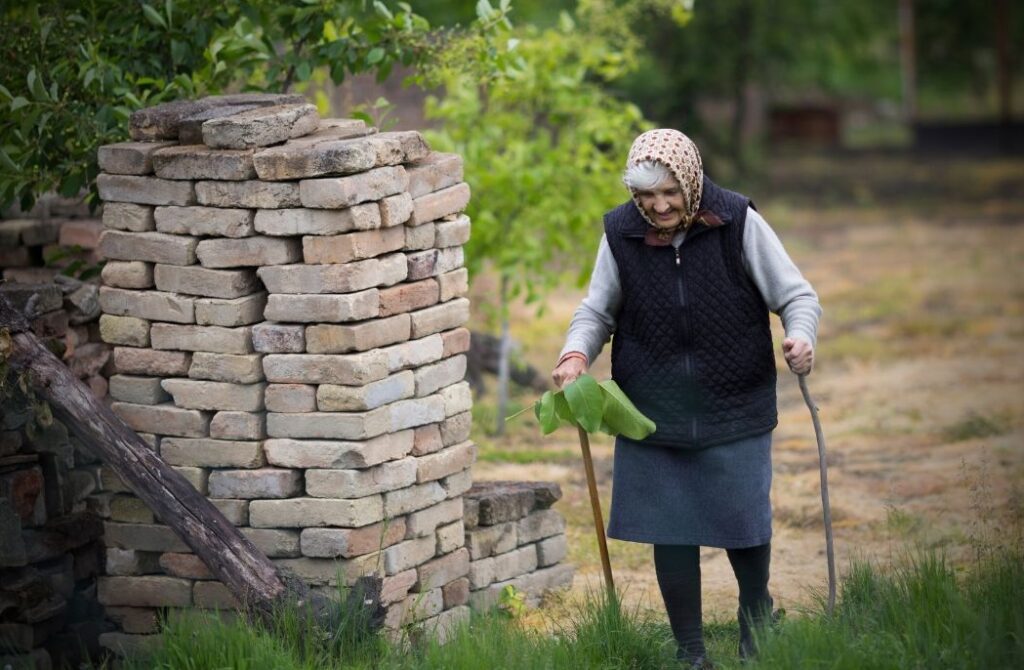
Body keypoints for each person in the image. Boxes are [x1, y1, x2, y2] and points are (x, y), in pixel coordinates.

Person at [551, 129, 821, 668]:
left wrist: (801, 335)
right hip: (654, 408)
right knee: (669, 530)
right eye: (646, 196)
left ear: (690, 181)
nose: (658, 206)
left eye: (669, 192)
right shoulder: (621, 233)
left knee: (744, 523)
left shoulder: (737, 221)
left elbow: (795, 295)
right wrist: (575, 354)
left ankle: (755, 623)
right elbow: (596, 310)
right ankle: (690, 651)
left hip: (734, 399)